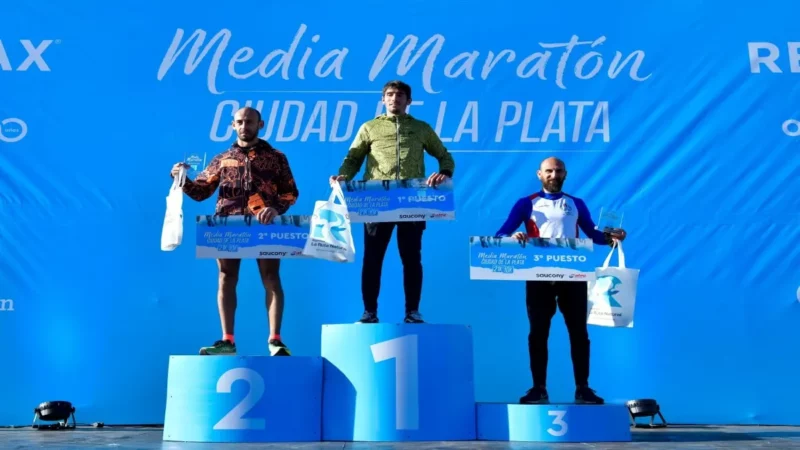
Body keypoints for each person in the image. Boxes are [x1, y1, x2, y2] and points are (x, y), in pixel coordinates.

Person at [494, 157, 627, 405]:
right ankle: (538, 388)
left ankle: (583, 388)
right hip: (538, 278)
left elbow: (594, 234)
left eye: (558, 171)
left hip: (572, 277)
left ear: (565, 173)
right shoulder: (526, 203)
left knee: (579, 333)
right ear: (539, 174)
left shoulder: (576, 203)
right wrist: (515, 235)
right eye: (549, 171)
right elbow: (501, 233)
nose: (554, 175)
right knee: (538, 334)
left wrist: (613, 236)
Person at [169, 106, 299, 356]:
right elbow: (201, 192)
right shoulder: (222, 158)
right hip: (227, 224)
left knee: (271, 278)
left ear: (260, 125)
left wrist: (275, 208)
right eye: (239, 122)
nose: (244, 126)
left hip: (264, 224)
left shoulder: (276, 157)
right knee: (226, 278)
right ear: (232, 125)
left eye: (249, 122)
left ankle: (275, 340)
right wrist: (180, 178)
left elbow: (290, 191)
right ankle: (227, 340)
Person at [329, 80, 456, 324]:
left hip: (411, 200)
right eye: (389, 94)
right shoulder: (369, 127)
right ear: (383, 99)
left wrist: (445, 173)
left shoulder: (421, 128)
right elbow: (353, 157)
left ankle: (412, 312)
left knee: (411, 258)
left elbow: (444, 156)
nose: (394, 99)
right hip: (377, 200)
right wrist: (344, 175)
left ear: (409, 101)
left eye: (400, 95)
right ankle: (369, 312)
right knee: (373, 258)